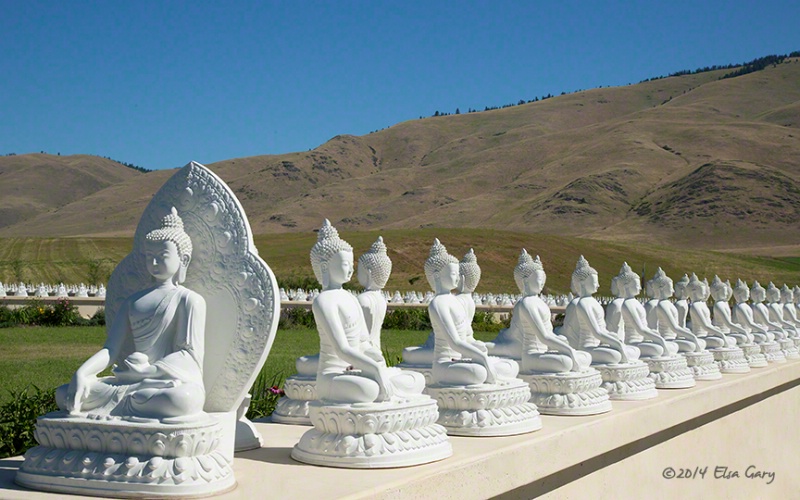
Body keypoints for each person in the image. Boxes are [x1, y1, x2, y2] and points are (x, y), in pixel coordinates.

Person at [58, 208, 206, 421]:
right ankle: (127, 406)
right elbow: (110, 349)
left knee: (182, 399)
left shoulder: (189, 300)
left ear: (183, 259)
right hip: (132, 383)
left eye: (162, 256)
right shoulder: (133, 301)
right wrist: (81, 373)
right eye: (149, 257)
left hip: (164, 381)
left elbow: (189, 355)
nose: (154, 263)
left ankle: (125, 407)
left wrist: (149, 371)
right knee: (64, 394)